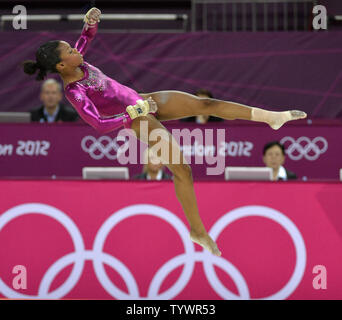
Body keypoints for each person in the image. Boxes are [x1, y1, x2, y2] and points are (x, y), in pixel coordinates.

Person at [22, 7, 307, 256]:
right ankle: (197, 230)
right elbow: (97, 123)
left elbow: (86, 39)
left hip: (143, 99)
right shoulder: (74, 91)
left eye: (72, 48)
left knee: (205, 103)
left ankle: (271, 117)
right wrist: (128, 116)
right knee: (182, 168)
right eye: (70, 51)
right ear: (61, 65)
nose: (76, 50)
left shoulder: (78, 62)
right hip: (138, 118)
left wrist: (90, 24)